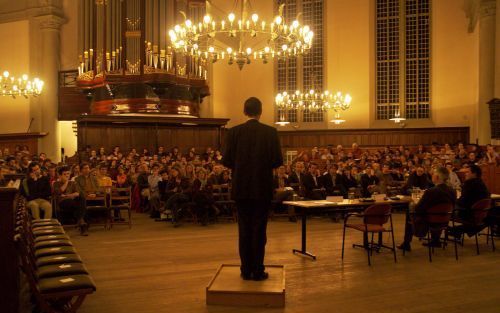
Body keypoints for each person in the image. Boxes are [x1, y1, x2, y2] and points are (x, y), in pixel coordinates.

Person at [223, 97, 283, 281]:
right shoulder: (270, 133)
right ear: (260, 111)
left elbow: (226, 160)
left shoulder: (233, 132)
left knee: (244, 230)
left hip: (241, 188)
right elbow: (277, 161)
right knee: (259, 230)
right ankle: (258, 270)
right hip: (262, 188)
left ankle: (245, 270)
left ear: (244, 111)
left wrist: (241, 165)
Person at [398, 166, 456, 251]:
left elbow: (418, 209)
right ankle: (435, 240)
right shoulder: (452, 191)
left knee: (409, 211)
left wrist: (413, 204)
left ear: (437, 177)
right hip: (445, 220)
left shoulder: (431, 191)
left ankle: (406, 244)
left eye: (433, 174)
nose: (431, 175)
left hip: (428, 221)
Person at [53, 166, 88, 235]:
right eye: (64, 174)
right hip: (62, 202)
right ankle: (81, 222)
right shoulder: (56, 183)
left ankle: (80, 221)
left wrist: (67, 195)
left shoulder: (72, 183)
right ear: (60, 175)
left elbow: (77, 193)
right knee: (79, 204)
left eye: (68, 174)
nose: (67, 175)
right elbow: (60, 191)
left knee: (81, 197)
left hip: (72, 201)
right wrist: (66, 182)